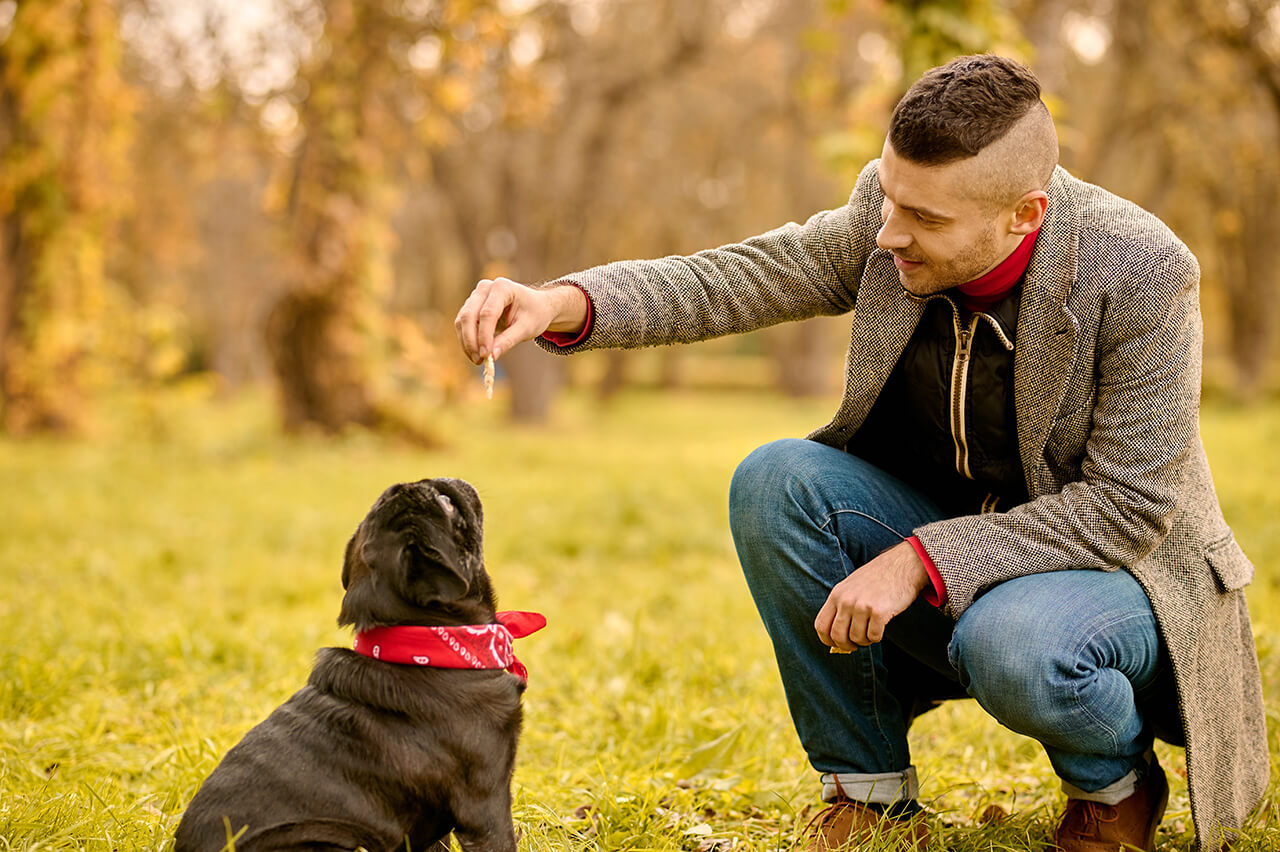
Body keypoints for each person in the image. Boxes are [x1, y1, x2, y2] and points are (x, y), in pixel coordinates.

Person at [453, 54, 1266, 851]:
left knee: (1009, 641)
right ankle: (868, 793)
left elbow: (1128, 509)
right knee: (777, 481)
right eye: (888, 198)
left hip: (1124, 575)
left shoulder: (1143, 270)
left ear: (1026, 213)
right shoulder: (889, 221)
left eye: (926, 221)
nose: (890, 235)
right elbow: (740, 276)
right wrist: (561, 302)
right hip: (957, 546)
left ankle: (1114, 789)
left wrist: (921, 560)